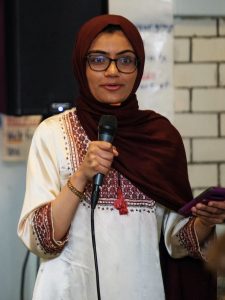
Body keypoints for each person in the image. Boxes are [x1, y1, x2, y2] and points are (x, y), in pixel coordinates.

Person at [18, 14, 225, 300]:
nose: (113, 71)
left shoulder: (161, 138)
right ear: (82, 65)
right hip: (69, 290)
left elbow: (175, 244)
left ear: (138, 68)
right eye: (99, 59)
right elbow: (40, 241)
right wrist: (81, 176)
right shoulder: (52, 133)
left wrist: (204, 222)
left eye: (125, 60)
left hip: (142, 290)